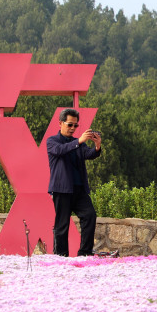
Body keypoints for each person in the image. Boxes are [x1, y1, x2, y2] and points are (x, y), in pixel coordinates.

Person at [47, 108, 102, 256]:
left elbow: (89, 154)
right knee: (62, 224)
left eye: (75, 126)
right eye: (70, 125)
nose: (73, 128)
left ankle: (84, 253)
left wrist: (97, 146)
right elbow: (60, 150)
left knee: (90, 215)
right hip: (62, 189)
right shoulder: (52, 141)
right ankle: (61, 256)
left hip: (79, 190)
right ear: (60, 123)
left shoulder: (77, 143)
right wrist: (79, 141)